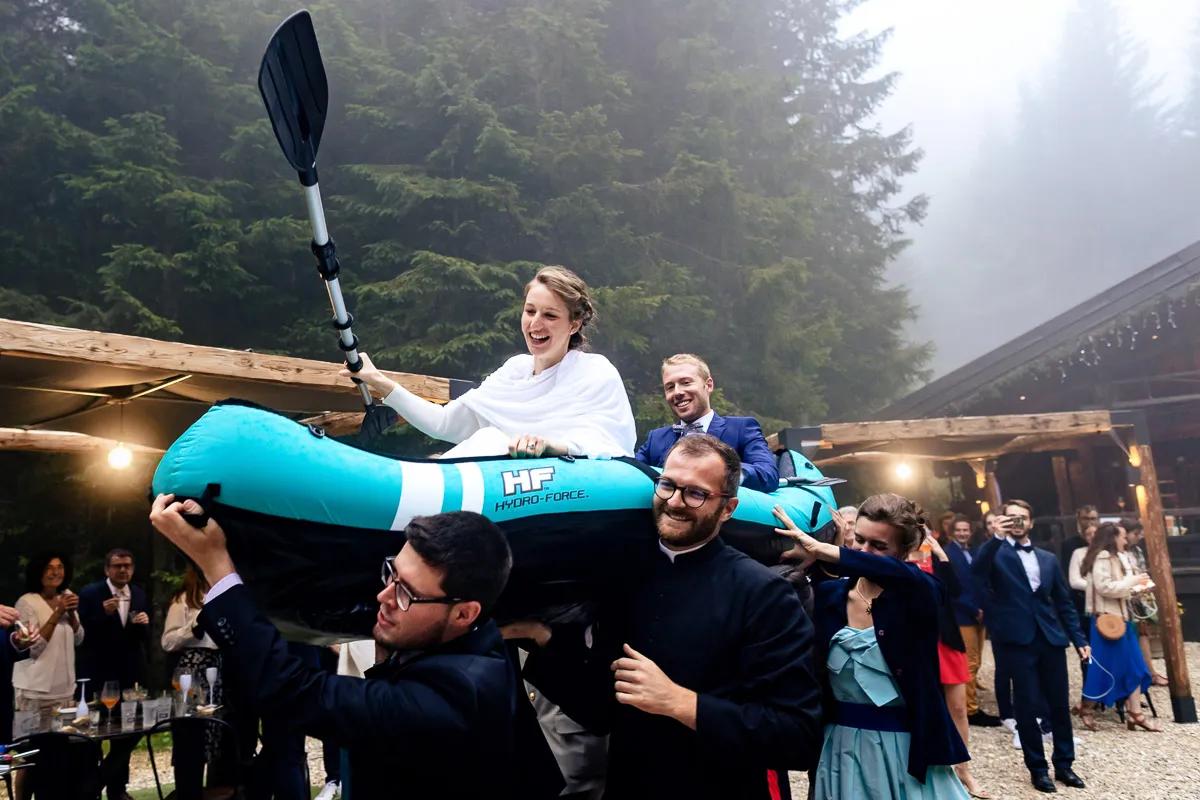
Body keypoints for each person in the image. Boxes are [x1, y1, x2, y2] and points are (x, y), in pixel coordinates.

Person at [148, 498, 563, 799]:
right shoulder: (474, 636)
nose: (385, 597)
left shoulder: (449, 698)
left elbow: (292, 692)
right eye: (391, 574)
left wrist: (216, 567)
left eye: (406, 594)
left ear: (463, 613)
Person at [513, 435, 822, 799]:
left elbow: (796, 736)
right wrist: (542, 639)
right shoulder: (626, 577)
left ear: (728, 508)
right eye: (667, 485)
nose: (675, 502)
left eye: (696, 493)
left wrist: (680, 702)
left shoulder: (764, 594)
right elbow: (599, 712)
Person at [775, 494, 968, 799]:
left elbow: (908, 578)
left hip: (905, 750)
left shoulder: (923, 593)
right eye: (860, 541)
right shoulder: (829, 594)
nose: (864, 552)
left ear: (905, 550)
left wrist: (829, 550)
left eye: (879, 547)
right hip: (839, 748)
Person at [342, 265, 635, 459]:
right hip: (486, 487)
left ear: (574, 324)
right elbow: (443, 423)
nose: (535, 324)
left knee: (492, 440)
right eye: (530, 311)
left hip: (552, 495)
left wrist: (547, 446)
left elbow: (607, 443)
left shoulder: (594, 371)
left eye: (550, 315)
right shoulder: (514, 371)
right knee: (489, 439)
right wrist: (378, 380)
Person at [973, 500, 1089, 794]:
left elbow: (1063, 602)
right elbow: (976, 574)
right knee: (1025, 705)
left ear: (1031, 522)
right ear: (1004, 522)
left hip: (1050, 638)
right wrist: (995, 538)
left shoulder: (1048, 558)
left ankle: (1064, 764)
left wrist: (1079, 640)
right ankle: (1037, 768)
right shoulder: (996, 553)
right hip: (1016, 639)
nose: (1018, 522)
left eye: (1022, 517)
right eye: (1012, 518)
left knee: (1059, 704)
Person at [634, 354, 779, 493]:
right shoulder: (656, 438)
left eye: (686, 383)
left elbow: (767, 474)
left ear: (708, 385)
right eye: (670, 387)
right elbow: (631, 473)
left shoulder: (741, 429)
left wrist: (716, 471)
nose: (677, 392)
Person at [77, 548, 151, 800]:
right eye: (118, 566)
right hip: (98, 673)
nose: (123, 570)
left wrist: (143, 625)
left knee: (129, 731)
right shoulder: (90, 594)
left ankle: (117, 788)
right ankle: (90, 790)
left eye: (127, 565)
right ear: (107, 570)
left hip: (129, 674)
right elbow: (81, 635)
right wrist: (102, 614)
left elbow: (139, 639)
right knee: (93, 735)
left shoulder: (139, 594)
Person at [12, 553, 84, 800]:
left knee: (57, 758)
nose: (56, 572)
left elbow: (79, 638)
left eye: (60, 567)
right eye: (49, 568)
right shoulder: (26, 602)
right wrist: (56, 614)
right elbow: (32, 647)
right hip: (35, 690)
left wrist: (71, 613)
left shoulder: (67, 596)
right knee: (30, 755)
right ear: (38, 572)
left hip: (64, 690)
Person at [1077, 523, 1158, 732]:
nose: (1125, 540)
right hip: (1108, 621)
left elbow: (1120, 587)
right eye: (1122, 537)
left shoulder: (1117, 557)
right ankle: (1086, 707)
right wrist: (1132, 582)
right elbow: (1104, 587)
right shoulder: (1102, 557)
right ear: (1112, 538)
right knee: (1105, 668)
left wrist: (1137, 588)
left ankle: (1135, 714)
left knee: (1135, 666)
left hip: (1123, 619)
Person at [945, 515, 998, 729]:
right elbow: (953, 588)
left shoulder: (975, 552)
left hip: (980, 613)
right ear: (952, 532)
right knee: (969, 661)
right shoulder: (948, 554)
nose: (963, 533)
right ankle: (969, 709)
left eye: (966, 530)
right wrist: (973, 609)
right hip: (963, 613)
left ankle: (970, 701)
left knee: (977, 661)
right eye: (959, 530)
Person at [1121, 518, 1169, 687]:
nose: (1138, 537)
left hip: (1140, 595)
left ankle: (1150, 672)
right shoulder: (1116, 553)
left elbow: (1142, 570)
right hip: (1124, 597)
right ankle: (1139, 674)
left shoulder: (1137, 551)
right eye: (1135, 533)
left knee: (1143, 633)